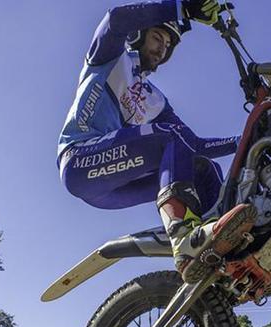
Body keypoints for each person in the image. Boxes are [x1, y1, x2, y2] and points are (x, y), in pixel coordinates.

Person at [57, 0, 258, 284]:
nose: (163, 47)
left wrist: (246, 139)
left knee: (202, 166)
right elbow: (115, 20)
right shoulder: (111, 57)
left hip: (116, 186)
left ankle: (225, 251)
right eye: (157, 37)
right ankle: (183, 236)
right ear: (138, 34)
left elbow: (193, 146)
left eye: (167, 44)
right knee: (168, 137)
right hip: (80, 161)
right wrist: (183, 7)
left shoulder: (156, 100)